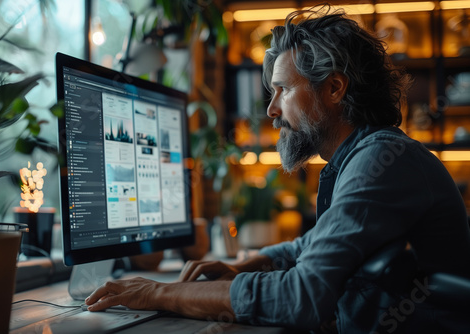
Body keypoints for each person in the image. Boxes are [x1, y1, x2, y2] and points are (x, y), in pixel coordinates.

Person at [85, 4, 470, 333]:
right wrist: (247, 263)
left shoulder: (382, 162)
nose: (271, 109)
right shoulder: (365, 158)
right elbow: (314, 245)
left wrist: (159, 293)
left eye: (282, 89)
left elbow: (302, 297)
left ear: (334, 88)